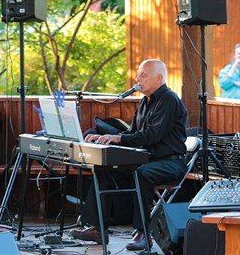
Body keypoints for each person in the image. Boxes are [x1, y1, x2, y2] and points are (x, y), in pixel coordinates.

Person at [69, 59, 188, 251]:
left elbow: (151, 136)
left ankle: (144, 233)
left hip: (170, 163)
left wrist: (117, 139)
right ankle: (98, 228)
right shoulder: (144, 101)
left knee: (141, 174)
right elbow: (132, 133)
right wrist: (104, 137)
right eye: (138, 74)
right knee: (103, 169)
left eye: (143, 75)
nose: (137, 78)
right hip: (145, 160)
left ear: (159, 78)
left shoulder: (169, 100)